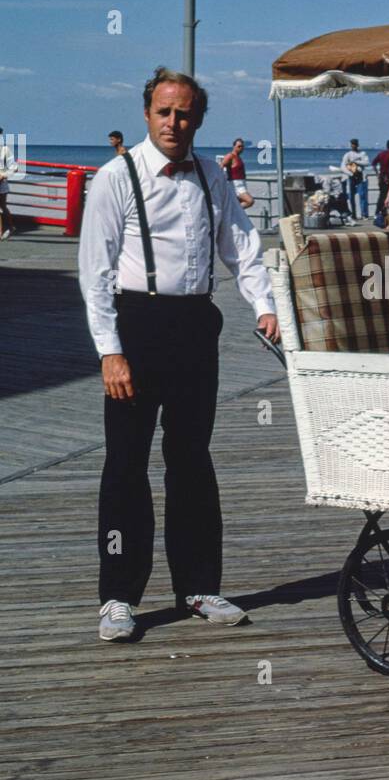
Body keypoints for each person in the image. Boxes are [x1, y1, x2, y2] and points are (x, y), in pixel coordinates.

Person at [78, 67, 280, 643]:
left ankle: (197, 586)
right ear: (147, 115)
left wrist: (263, 306)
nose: (174, 122)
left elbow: (242, 247)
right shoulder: (117, 176)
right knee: (125, 463)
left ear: (198, 118)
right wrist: (109, 351)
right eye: (164, 112)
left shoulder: (212, 175)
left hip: (195, 325)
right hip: (136, 325)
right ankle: (118, 597)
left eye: (184, 112)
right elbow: (94, 272)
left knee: (192, 457)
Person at [220, 137, 254, 209]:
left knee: (238, 203)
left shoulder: (238, 157)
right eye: (239, 146)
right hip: (236, 186)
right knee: (250, 201)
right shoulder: (230, 156)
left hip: (242, 184)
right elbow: (220, 167)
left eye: (242, 147)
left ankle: (234, 214)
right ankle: (234, 210)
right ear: (234, 146)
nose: (241, 148)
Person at [341, 138, 369, 219]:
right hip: (351, 177)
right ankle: (353, 214)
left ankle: (364, 214)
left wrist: (356, 162)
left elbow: (366, 163)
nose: (353, 145)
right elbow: (343, 166)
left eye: (355, 144)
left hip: (360, 176)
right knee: (351, 196)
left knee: (362, 195)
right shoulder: (347, 154)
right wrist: (350, 173)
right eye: (352, 144)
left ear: (357, 145)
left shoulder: (362, 154)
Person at [372, 139, 389, 214]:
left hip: (381, 177)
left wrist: (377, 174)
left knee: (382, 195)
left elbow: (373, 163)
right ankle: (380, 212)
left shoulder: (381, 154)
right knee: (385, 196)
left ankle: (380, 212)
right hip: (388, 178)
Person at [0, 127, 17, 240]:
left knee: (2, 207)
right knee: (2, 207)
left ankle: (2, 232)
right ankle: (10, 227)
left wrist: (3, 176)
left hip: (2, 183)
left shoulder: (5, 150)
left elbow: (14, 167)